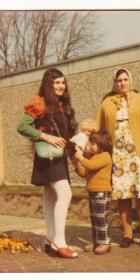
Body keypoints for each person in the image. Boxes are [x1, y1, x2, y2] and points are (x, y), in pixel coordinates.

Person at [17, 68, 78, 258]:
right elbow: (22, 126)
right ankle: (60, 241)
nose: (61, 86)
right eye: (56, 83)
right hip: (47, 156)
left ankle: (51, 240)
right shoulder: (39, 103)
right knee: (65, 193)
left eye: (62, 82)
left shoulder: (62, 105)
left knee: (51, 196)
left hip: (58, 156)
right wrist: (46, 137)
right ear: (48, 85)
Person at [96, 68, 140, 248]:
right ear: (114, 83)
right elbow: (97, 126)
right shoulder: (107, 103)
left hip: (139, 153)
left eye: (125, 79)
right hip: (118, 155)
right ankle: (127, 233)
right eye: (119, 80)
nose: (122, 83)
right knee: (122, 194)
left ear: (130, 81)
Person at [72, 131, 113, 255]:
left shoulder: (105, 156)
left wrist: (81, 157)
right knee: (94, 218)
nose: (90, 146)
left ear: (102, 143)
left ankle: (105, 242)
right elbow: (85, 173)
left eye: (93, 144)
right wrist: (76, 164)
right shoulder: (93, 157)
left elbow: (92, 166)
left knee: (101, 217)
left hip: (102, 191)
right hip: (93, 191)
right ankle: (97, 241)